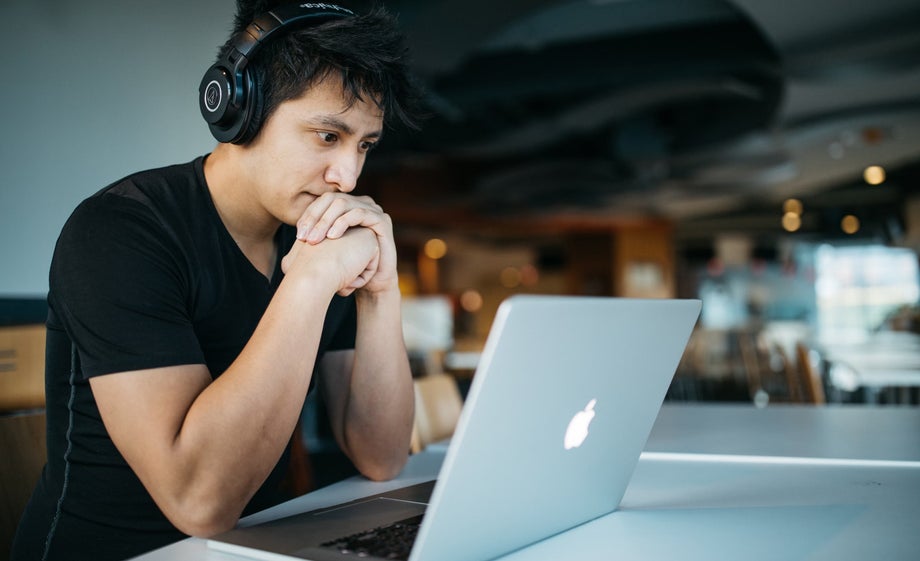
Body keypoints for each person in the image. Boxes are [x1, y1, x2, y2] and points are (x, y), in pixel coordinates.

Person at [12, 2, 423, 560]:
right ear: (240, 109)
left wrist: (381, 289)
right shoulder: (119, 232)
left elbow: (381, 456)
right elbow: (198, 502)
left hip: (251, 548)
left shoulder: (318, 235)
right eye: (328, 136)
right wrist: (307, 283)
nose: (347, 176)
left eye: (364, 146)